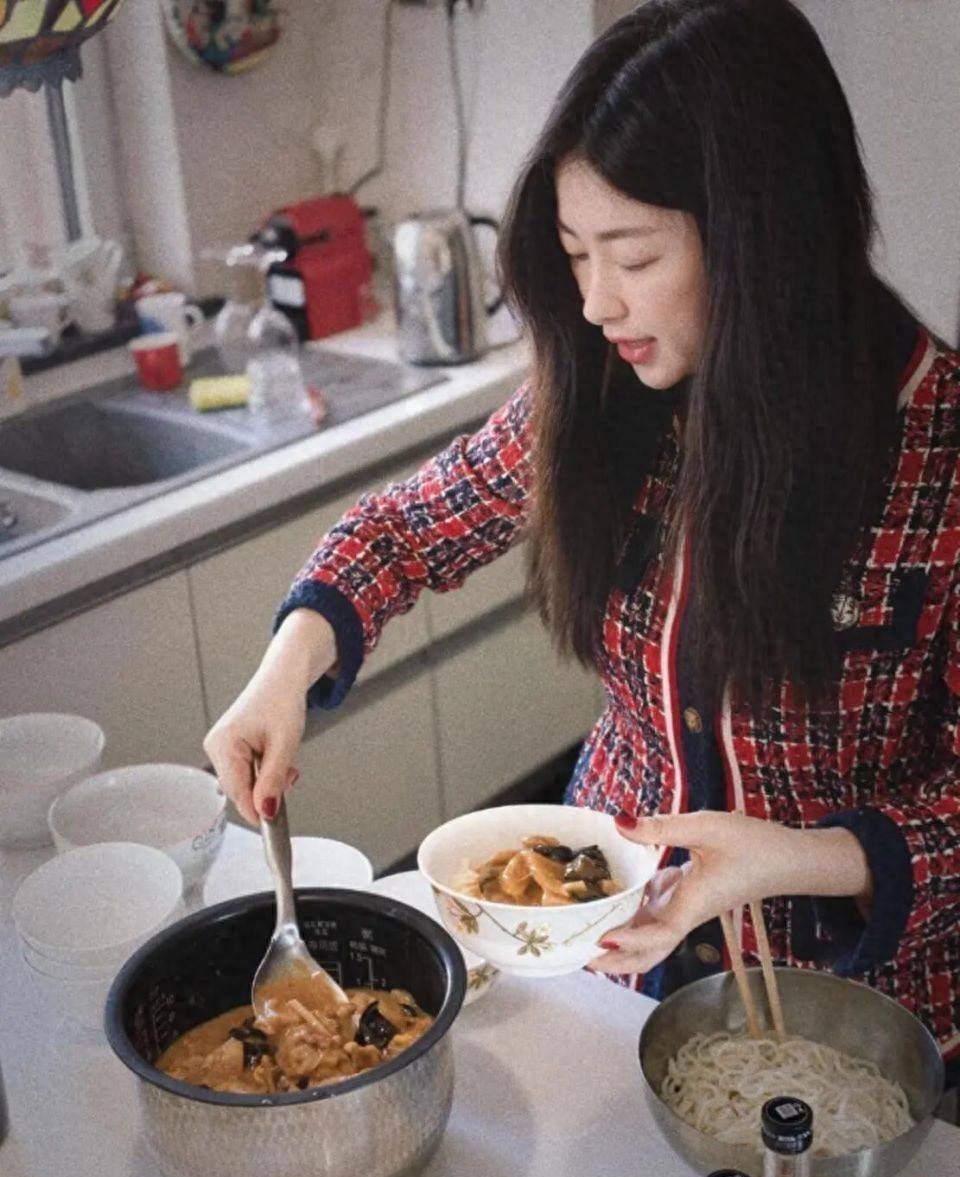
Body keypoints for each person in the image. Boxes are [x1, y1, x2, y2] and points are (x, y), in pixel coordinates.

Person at [205, 0, 960, 1076]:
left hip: (856, 1023)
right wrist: (285, 671)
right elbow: (402, 530)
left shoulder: (936, 448)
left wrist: (804, 857)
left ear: (770, 240)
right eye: (574, 255)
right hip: (612, 971)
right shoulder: (610, 390)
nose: (598, 302)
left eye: (634, 257)